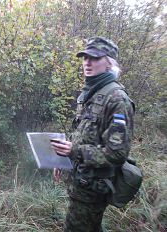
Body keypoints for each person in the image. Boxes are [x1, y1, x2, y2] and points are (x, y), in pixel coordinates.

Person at [51, 36, 135, 232]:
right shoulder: (91, 94)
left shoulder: (117, 99)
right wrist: (63, 160)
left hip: (93, 189)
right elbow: (84, 135)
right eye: (85, 58)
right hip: (80, 182)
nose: (87, 63)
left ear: (109, 63)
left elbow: (117, 153)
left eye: (94, 58)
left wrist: (74, 152)